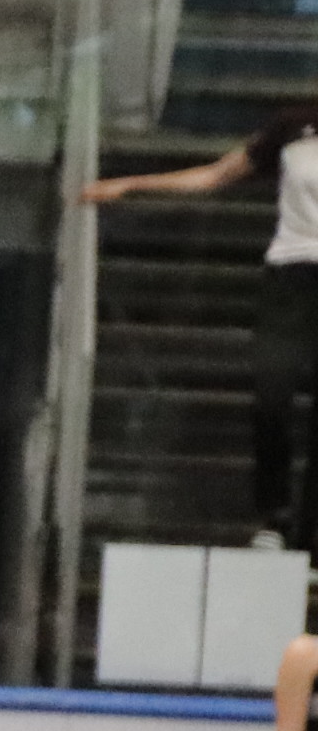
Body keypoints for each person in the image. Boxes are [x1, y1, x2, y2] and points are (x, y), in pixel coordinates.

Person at [85, 103, 318, 548]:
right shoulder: (293, 126)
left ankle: (309, 536)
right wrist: (130, 185)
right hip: (290, 276)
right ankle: (274, 514)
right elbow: (214, 175)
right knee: (271, 396)